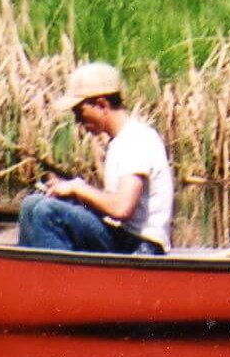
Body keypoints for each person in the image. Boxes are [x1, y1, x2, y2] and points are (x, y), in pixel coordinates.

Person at [18, 61, 174, 254]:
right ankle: (31, 274)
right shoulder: (121, 141)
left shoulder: (136, 140)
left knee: (46, 212)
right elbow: (113, 205)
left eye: (79, 112)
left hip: (142, 246)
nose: (77, 121)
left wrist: (78, 189)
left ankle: (58, 281)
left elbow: (122, 208)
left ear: (101, 104)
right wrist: (72, 196)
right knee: (31, 204)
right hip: (122, 237)